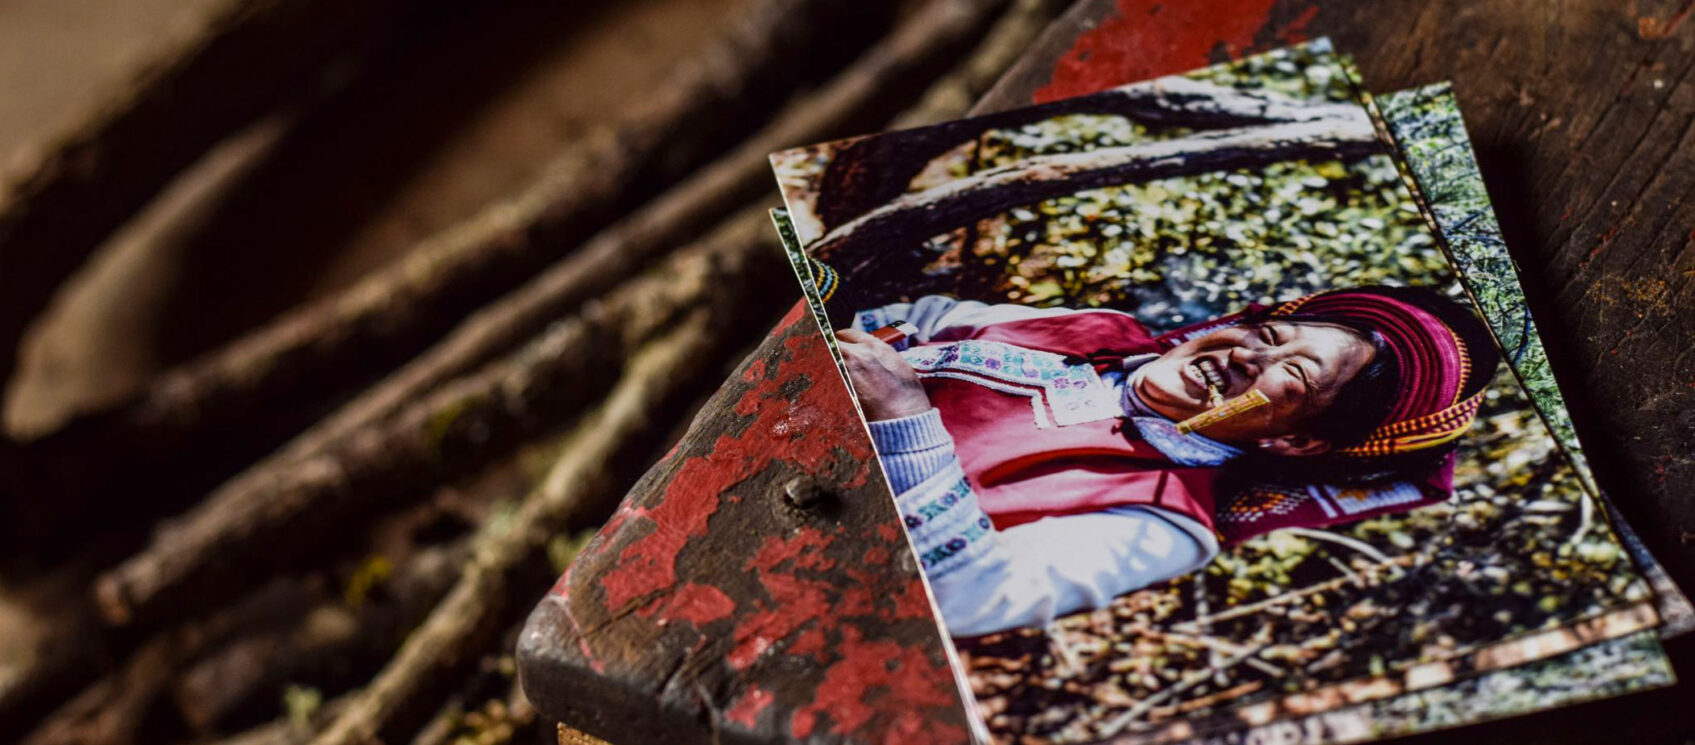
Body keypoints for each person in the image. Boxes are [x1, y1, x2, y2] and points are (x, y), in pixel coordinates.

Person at [835, 286, 1499, 636]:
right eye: (1268, 336)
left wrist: (903, 415)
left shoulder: (1165, 520)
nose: (1247, 356)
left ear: (1294, 441)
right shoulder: (1101, 332)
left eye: (1289, 376)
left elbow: (957, 598)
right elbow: (931, 316)